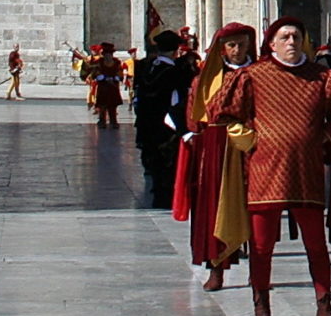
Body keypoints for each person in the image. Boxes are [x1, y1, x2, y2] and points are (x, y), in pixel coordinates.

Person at [207, 16, 331, 316]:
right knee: (261, 245)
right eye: (284, 37)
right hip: (264, 173)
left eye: (296, 36)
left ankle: (324, 307)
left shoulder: (322, 77)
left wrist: (324, 138)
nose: (292, 42)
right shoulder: (253, 77)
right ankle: (262, 309)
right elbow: (223, 113)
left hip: (305, 172)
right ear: (271, 44)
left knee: (315, 244)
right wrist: (250, 141)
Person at [176, 22, 257, 289]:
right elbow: (194, 119)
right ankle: (216, 267)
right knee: (214, 209)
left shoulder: (259, 76)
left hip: (252, 148)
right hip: (217, 151)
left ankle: (258, 271)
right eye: (231, 45)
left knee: (256, 209)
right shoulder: (207, 80)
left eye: (241, 44)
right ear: (222, 49)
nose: (236, 50)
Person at [135, 31, 192, 209]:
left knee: (152, 161)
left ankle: (156, 191)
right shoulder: (175, 72)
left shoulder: (145, 67)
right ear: (176, 51)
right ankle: (165, 196)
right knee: (167, 163)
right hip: (166, 126)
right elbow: (177, 101)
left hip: (146, 123)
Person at [86, 43, 125, 127]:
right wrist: (102, 77)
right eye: (106, 53)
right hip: (103, 86)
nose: (108, 55)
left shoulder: (117, 62)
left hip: (113, 87)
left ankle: (113, 121)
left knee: (112, 105)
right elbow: (94, 73)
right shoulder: (99, 62)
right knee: (102, 105)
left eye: (110, 53)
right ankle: (102, 121)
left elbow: (120, 73)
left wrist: (115, 78)